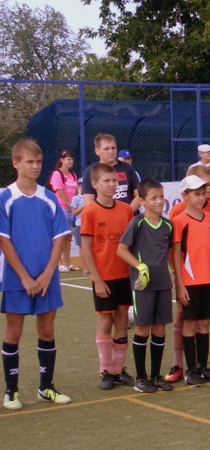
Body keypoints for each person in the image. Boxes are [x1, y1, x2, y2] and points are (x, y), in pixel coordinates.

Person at [1, 139, 72, 410]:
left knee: (46, 329)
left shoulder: (49, 198)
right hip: (15, 278)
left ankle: (46, 387)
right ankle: (11, 391)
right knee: (14, 331)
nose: (35, 166)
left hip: (46, 278)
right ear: (16, 163)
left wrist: (47, 273)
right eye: (29, 162)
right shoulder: (5, 198)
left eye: (39, 162)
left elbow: (60, 237)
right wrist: (24, 276)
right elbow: (4, 240)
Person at [116, 179, 174, 393]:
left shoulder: (168, 225)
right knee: (142, 329)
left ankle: (156, 376)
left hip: (163, 284)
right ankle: (141, 378)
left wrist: (173, 275)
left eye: (161, 197)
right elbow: (121, 250)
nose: (159, 201)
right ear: (141, 201)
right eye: (153, 198)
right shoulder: (137, 223)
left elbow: (170, 253)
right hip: (143, 286)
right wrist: (140, 266)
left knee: (160, 329)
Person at [80, 163, 135, 390]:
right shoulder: (90, 211)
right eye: (107, 181)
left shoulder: (126, 210)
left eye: (115, 181)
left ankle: (118, 370)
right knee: (105, 321)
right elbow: (86, 247)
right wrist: (97, 279)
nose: (112, 185)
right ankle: (105, 371)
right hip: (104, 277)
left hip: (124, 276)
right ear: (95, 184)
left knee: (122, 319)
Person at [172, 175, 210, 387]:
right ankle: (190, 369)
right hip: (189, 282)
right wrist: (180, 284)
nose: (201, 198)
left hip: (208, 280)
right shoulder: (179, 221)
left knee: (204, 323)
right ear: (184, 196)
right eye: (196, 194)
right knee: (190, 324)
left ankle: (203, 366)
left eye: (203, 193)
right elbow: (176, 255)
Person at [82, 133, 140, 211]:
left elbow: (139, 195)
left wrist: (126, 213)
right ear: (97, 151)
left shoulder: (127, 167)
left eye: (113, 148)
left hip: (129, 215)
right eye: (106, 149)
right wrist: (106, 215)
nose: (111, 151)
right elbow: (88, 202)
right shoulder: (91, 171)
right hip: (103, 216)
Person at [49, 150, 80, 273]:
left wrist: (76, 205)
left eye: (72, 159)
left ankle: (67, 263)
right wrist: (71, 205)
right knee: (61, 235)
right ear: (61, 160)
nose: (70, 161)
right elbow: (60, 192)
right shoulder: (57, 174)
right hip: (61, 207)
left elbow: (76, 192)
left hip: (71, 208)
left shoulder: (73, 175)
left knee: (69, 236)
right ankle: (60, 263)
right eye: (68, 159)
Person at [70, 180, 88, 277]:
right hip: (80, 225)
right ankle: (85, 269)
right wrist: (83, 206)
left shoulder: (93, 197)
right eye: (80, 185)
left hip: (90, 224)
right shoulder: (76, 198)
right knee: (82, 247)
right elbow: (73, 213)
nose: (82, 187)